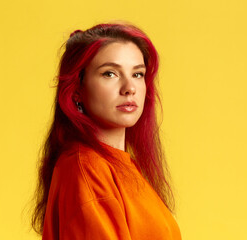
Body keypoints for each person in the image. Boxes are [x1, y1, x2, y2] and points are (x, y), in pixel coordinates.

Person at [31, 22, 182, 240]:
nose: (129, 88)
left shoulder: (120, 165)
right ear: (76, 90)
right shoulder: (86, 168)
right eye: (110, 73)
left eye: (138, 74)